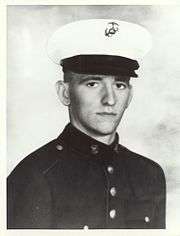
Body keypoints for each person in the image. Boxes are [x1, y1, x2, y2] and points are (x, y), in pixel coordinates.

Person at [7, 19, 166, 229]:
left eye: (119, 85)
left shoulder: (149, 174)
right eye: (92, 83)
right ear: (65, 93)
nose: (109, 99)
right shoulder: (34, 176)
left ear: (129, 96)